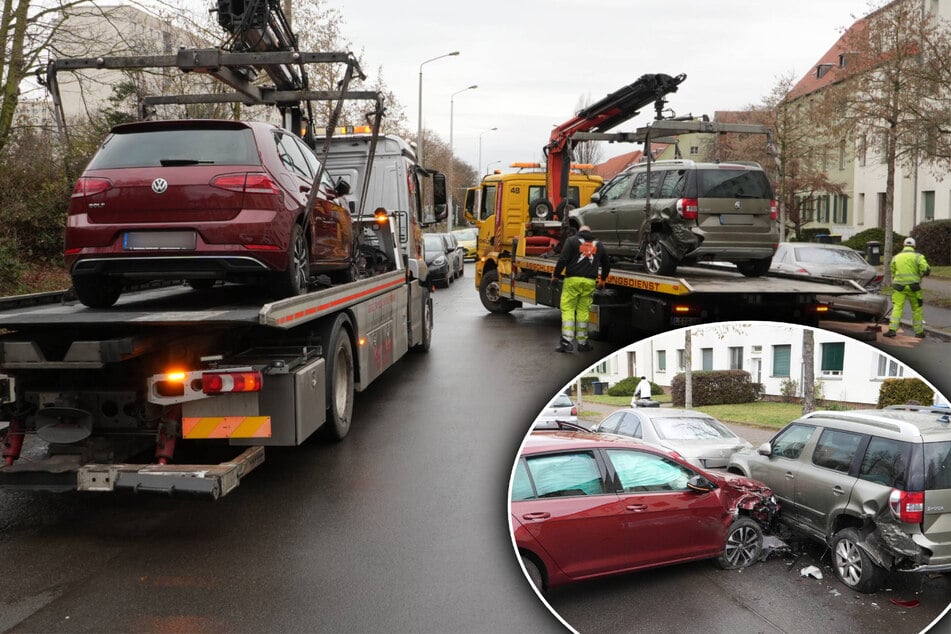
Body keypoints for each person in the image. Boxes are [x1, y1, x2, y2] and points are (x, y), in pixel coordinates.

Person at [551, 225, 610, 352]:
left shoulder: (571, 241)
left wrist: (555, 276)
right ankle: (583, 343)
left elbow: (563, 260)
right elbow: (606, 263)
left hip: (572, 280)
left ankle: (566, 342)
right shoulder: (598, 244)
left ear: (579, 232)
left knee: (568, 309)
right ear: (590, 232)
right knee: (583, 311)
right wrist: (603, 280)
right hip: (589, 282)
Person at [884, 237, 930, 339]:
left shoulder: (896, 257)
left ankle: (892, 330)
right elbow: (925, 269)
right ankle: (919, 332)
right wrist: (924, 273)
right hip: (914, 287)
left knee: (897, 307)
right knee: (916, 309)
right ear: (914, 246)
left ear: (904, 245)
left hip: (899, 287)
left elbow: (892, 271)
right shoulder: (918, 257)